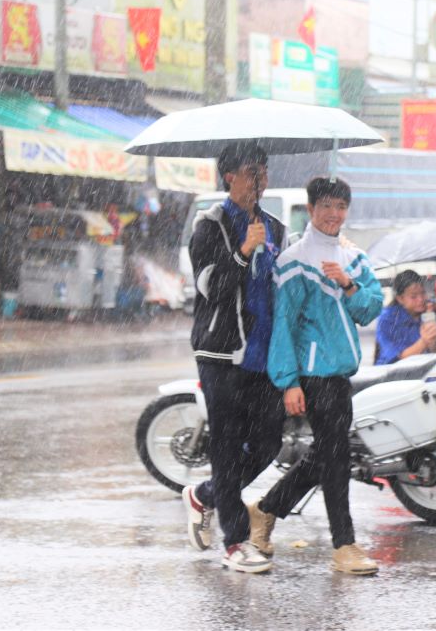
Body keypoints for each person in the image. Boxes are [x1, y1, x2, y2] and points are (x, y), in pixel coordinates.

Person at [248, 177, 384, 575]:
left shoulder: (354, 258)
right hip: (312, 373)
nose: (333, 214)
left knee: (327, 453)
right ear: (310, 209)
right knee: (337, 456)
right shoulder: (293, 262)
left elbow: (370, 309)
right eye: (325, 205)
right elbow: (284, 326)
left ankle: (266, 509)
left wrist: (348, 284)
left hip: (341, 371)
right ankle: (345, 545)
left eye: (340, 206)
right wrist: (288, 381)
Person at [181, 142, 287, 574]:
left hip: (265, 357)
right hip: (221, 354)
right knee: (226, 450)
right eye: (250, 171)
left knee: (268, 444)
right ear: (229, 177)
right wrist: (243, 251)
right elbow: (212, 289)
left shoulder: (277, 228)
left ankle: (206, 495)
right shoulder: (211, 225)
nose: (259, 178)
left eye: (263, 169)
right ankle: (236, 542)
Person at [375, 269, 436, 365]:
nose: (420, 299)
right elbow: (401, 358)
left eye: (423, 293)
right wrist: (424, 341)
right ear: (400, 299)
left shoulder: (431, 309)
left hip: (423, 369)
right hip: (393, 373)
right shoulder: (387, 319)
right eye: (413, 296)